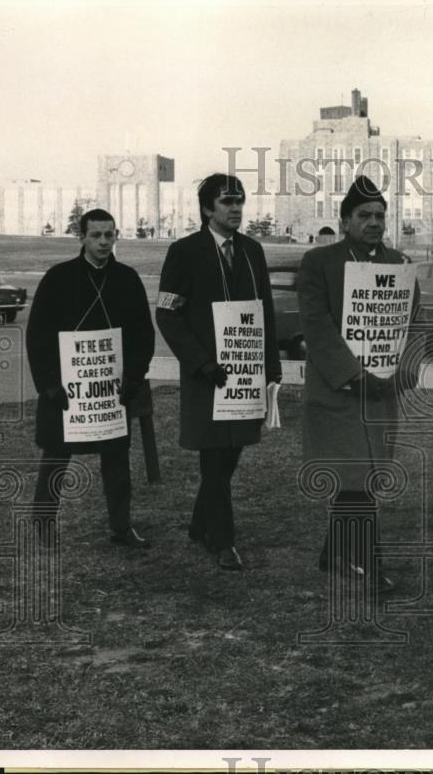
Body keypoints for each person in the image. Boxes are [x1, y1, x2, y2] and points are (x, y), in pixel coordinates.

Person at [297, 175, 420, 593]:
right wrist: (352, 376)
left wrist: (403, 370)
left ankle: (334, 554)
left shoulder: (400, 265)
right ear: (345, 219)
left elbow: (412, 324)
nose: (374, 222)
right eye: (364, 215)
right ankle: (368, 562)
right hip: (338, 392)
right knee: (355, 478)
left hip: (382, 392)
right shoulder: (319, 262)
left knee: (366, 477)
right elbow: (316, 325)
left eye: (380, 215)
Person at [156, 174, 281, 571]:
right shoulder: (184, 252)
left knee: (230, 455)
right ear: (208, 208)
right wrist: (200, 362)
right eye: (227, 202)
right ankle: (223, 541)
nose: (235, 209)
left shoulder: (252, 252)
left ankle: (199, 522)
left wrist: (270, 366)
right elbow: (167, 313)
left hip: (243, 375)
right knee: (213, 457)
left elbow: (265, 311)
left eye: (240, 201)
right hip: (207, 376)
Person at [27, 208, 155, 548]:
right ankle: (44, 526)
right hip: (65, 390)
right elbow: (38, 335)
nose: (102, 242)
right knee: (55, 456)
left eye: (108, 235)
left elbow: (143, 333)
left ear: (116, 236)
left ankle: (121, 527)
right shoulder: (58, 277)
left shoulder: (127, 278)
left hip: (111, 392)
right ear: (81, 237)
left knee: (116, 459)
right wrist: (49, 384)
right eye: (95, 235)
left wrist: (134, 377)